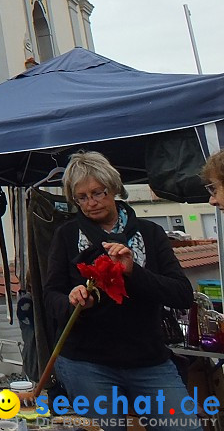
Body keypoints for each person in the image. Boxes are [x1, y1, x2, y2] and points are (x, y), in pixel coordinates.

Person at [44, 151, 194, 427]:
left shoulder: (150, 234)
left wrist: (132, 272)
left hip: (148, 359)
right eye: (82, 197)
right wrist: (72, 300)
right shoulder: (66, 236)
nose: (91, 203)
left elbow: (182, 294)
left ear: (112, 188)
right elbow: (50, 296)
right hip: (87, 361)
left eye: (98, 193)